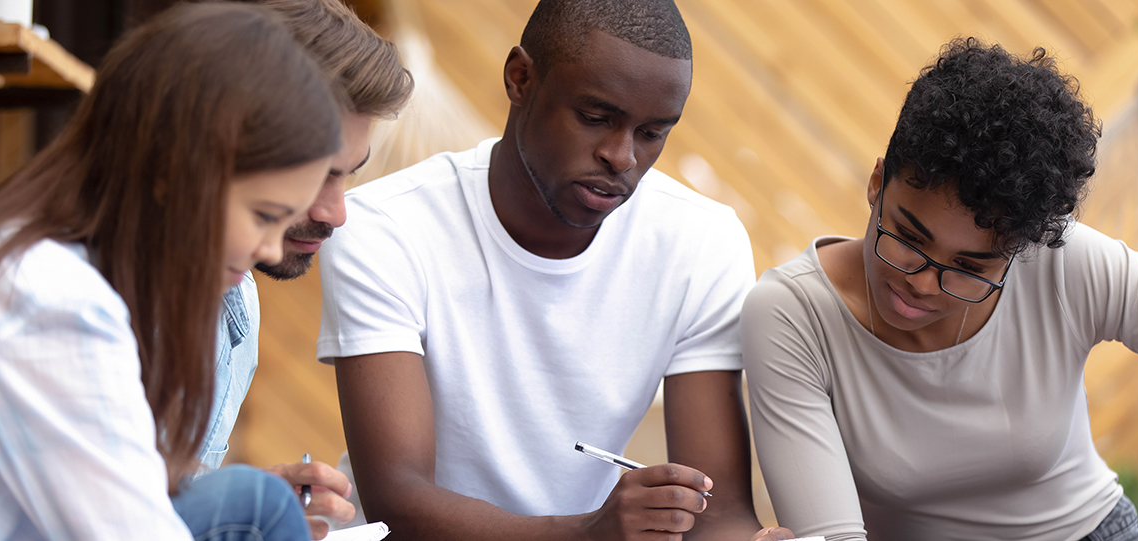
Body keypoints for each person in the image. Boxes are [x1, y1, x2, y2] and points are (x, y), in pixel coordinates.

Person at [318, 1, 793, 540]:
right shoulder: (385, 227)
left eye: (652, 133)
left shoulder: (701, 243)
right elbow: (397, 502)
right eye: (595, 117)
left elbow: (720, 513)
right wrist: (584, 533)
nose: (622, 156)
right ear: (520, 78)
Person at [742, 37, 1138, 541]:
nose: (922, 283)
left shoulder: (1061, 262)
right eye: (907, 238)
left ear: (1018, 249)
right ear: (877, 182)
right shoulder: (793, 318)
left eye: (971, 266)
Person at [0, 3, 343, 539]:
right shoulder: (53, 301)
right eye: (264, 216)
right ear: (171, 173)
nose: (271, 250)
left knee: (254, 500)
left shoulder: (85, 271)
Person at [194, 0, 412, 538]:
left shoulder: (236, 299)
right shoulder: (74, 302)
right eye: (315, 175)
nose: (336, 213)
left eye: (348, 177)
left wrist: (236, 507)